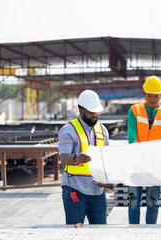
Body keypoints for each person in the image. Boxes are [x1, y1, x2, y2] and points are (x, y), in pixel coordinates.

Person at [127, 75, 161, 224]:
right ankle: (134, 234)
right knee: (134, 203)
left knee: (153, 203)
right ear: (144, 94)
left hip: (156, 167)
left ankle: (150, 233)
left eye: (156, 96)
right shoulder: (134, 110)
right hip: (136, 165)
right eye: (149, 96)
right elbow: (132, 139)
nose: (153, 100)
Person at [58, 89, 109, 225]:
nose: (95, 115)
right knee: (75, 232)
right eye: (91, 112)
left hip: (98, 191)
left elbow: (107, 158)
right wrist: (76, 158)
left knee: (100, 232)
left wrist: (106, 179)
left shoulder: (102, 130)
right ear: (81, 110)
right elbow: (63, 157)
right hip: (75, 189)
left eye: (96, 111)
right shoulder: (68, 130)